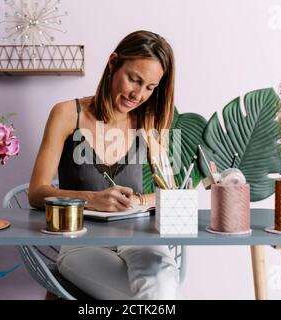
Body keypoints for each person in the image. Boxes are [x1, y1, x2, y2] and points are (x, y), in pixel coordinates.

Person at [28, 30, 180, 299]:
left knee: (161, 279)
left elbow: (170, 193)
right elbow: (37, 193)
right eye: (134, 79)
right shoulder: (67, 114)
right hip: (79, 243)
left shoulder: (147, 122)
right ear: (112, 63)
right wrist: (91, 200)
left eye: (150, 87)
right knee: (154, 295)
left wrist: (138, 201)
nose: (139, 94)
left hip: (138, 239)